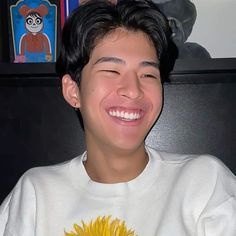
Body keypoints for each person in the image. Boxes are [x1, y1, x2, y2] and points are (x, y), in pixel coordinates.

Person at [0, 0, 235, 235]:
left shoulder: (204, 184)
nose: (133, 90)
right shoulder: (35, 194)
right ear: (73, 91)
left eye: (148, 74)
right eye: (112, 71)